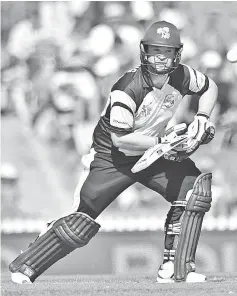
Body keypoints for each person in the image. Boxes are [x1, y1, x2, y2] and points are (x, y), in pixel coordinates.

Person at [9, 21, 218, 284]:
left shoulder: (183, 76)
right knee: (79, 224)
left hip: (154, 152)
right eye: (155, 50)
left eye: (166, 51)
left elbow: (210, 87)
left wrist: (202, 116)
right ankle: (27, 264)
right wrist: (165, 139)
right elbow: (122, 141)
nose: (160, 58)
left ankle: (175, 267)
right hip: (111, 158)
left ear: (177, 54)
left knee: (193, 191)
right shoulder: (127, 87)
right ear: (144, 52)